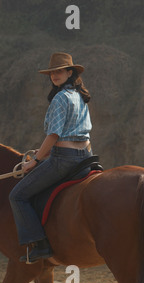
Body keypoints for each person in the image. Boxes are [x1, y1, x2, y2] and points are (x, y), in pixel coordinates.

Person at [9, 52, 93, 264]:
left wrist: (34, 161)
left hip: (64, 159)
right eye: (52, 72)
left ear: (69, 72)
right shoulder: (80, 96)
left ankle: (40, 245)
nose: (55, 75)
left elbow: (54, 135)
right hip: (86, 157)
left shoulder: (60, 98)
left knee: (17, 196)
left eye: (59, 71)